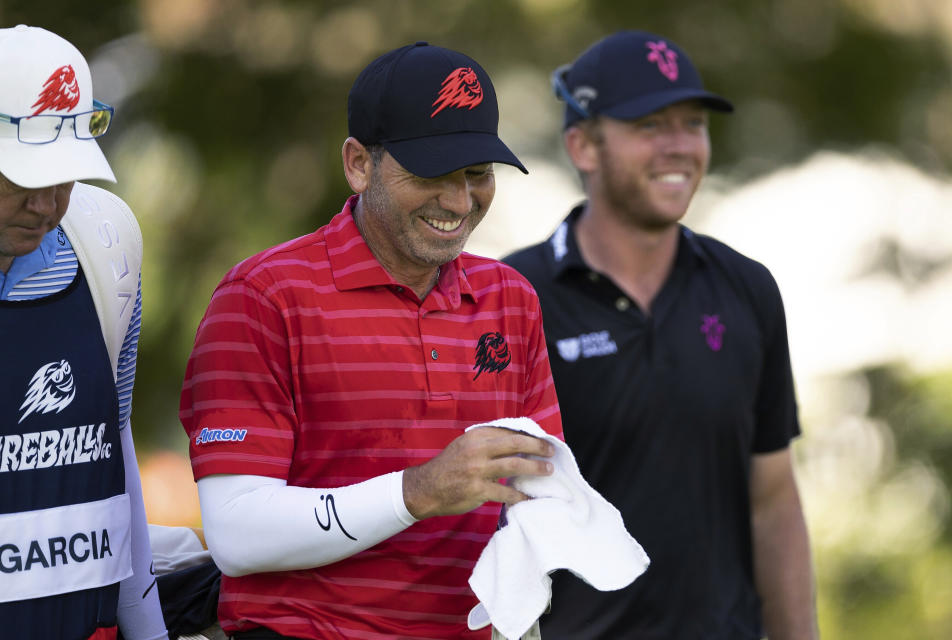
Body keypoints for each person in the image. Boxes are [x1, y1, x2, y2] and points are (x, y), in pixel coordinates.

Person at [179, 41, 562, 640]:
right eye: (434, 173)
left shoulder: (510, 298)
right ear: (358, 163)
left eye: (478, 174)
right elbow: (236, 534)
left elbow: (540, 492)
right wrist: (420, 490)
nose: (460, 202)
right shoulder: (263, 296)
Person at [503, 30, 818, 639]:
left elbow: (773, 502)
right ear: (583, 146)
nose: (680, 146)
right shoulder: (513, 296)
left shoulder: (748, 289)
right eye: (650, 125)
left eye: (693, 123)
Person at [0, 25, 168, 640]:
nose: (45, 205)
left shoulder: (105, 238)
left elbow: (114, 450)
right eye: (20, 179)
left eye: (64, 176)